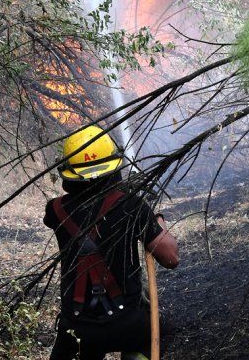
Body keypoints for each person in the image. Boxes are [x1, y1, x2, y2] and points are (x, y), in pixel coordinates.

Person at [45, 125, 179, 360]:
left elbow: (87, 203)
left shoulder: (54, 211)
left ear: (69, 172)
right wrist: (157, 220)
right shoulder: (132, 206)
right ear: (113, 166)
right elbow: (170, 258)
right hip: (126, 322)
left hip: (77, 327)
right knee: (159, 332)